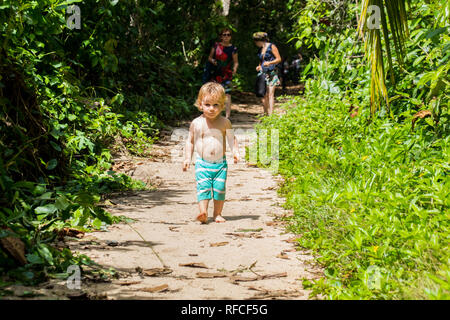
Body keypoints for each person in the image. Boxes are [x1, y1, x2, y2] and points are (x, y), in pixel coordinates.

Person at [182, 82, 239, 224]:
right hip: (202, 163)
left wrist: (235, 152)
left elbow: (232, 138)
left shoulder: (225, 122)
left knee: (219, 190)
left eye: (216, 105)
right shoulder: (197, 123)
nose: (212, 109)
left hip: (220, 165)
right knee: (204, 188)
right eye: (207, 105)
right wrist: (187, 158)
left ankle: (217, 214)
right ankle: (203, 212)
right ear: (200, 104)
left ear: (222, 105)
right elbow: (190, 141)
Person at [207, 28, 239, 118]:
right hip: (216, 72)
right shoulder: (216, 45)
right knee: (215, 93)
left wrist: (234, 70)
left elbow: (236, 62)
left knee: (227, 94)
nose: (226, 37)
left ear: (231, 37)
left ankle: (227, 117)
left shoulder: (233, 48)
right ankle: (215, 114)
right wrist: (213, 61)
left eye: (228, 35)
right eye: (224, 35)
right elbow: (209, 57)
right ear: (221, 36)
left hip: (227, 73)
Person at [253, 32, 282, 116]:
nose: (256, 44)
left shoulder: (271, 46)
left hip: (272, 72)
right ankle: (266, 114)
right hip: (263, 73)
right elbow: (261, 61)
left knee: (270, 94)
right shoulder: (260, 49)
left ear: (261, 40)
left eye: (256, 41)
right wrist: (259, 66)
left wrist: (270, 63)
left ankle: (271, 115)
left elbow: (278, 59)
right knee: (263, 94)